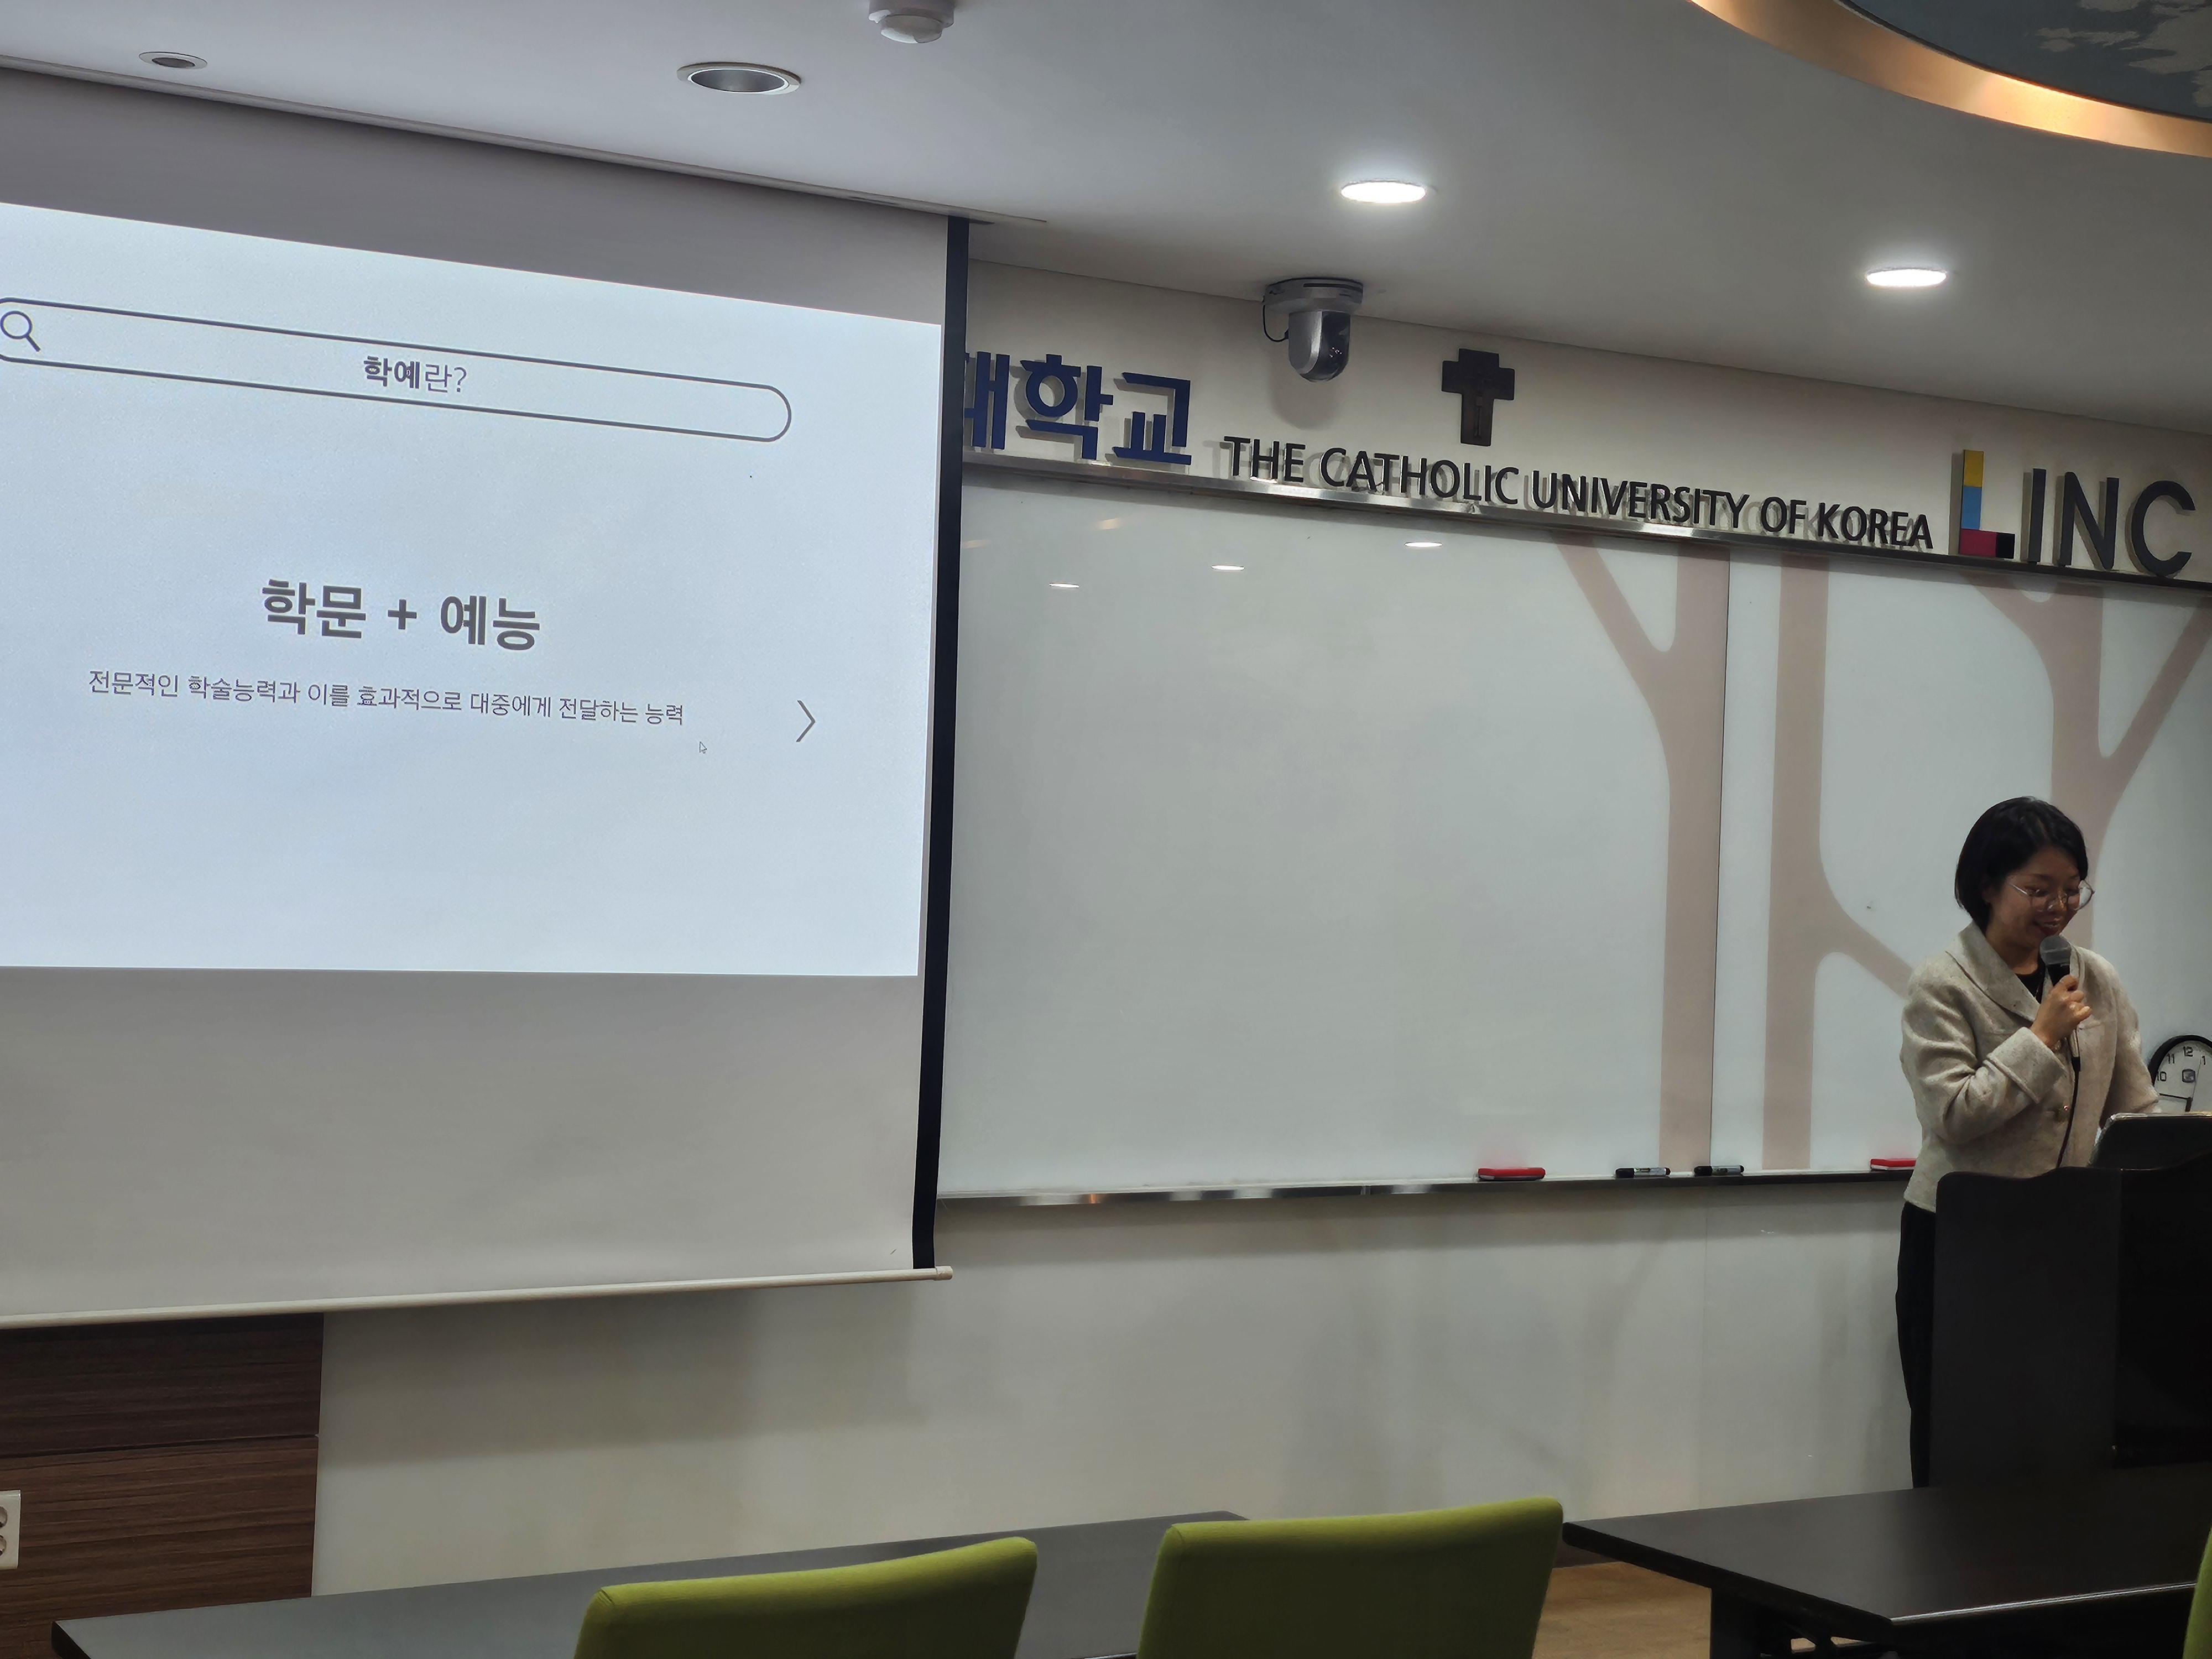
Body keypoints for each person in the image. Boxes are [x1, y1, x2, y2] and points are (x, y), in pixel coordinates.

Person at [1895, 797, 2157, 1487]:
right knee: (1960, 1428)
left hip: (2069, 1238)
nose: (2059, 907)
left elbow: (2134, 1110)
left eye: (2071, 890)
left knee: (2056, 1426)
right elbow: (1953, 1114)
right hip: (1961, 1239)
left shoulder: (2094, 977)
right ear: (1986, 885)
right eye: (2038, 890)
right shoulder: (1941, 984)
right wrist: (2040, 1038)